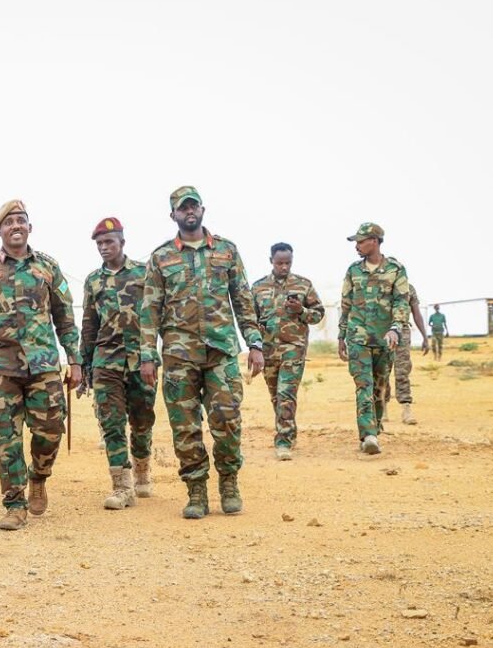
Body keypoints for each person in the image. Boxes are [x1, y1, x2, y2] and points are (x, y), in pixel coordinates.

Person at [140, 186, 263, 519]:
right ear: (173, 215)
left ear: (203, 210)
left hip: (221, 351)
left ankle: (229, 482)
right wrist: (147, 355)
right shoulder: (161, 257)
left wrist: (255, 343)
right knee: (185, 427)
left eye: (193, 206)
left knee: (227, 420)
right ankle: (196, 490)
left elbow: (243, 300)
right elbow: (150, 310)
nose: (189, 211)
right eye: (183, 208)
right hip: (179, 356)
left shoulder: (226, 251)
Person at [0, 199, 81, 531]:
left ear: (30, 227)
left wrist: (75, 360)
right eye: (8, 222)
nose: (15, 226)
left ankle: (39, 475)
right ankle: (15, 504)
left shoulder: (48, 267)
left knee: (51, 429)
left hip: (43, 364)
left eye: (21, 220)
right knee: (6, 437)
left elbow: (65, 318)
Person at [79, 217, 157, 509]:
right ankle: (122, 487)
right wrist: (84, 363)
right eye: (99, 243)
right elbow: (89, 324)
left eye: (109, 242)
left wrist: (153, 355)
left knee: (142, 420)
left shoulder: (144, 273)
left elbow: (156, 315)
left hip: (141, 360)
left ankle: (142, 471)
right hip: (106, 360)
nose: (104, 247)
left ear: (122, 242)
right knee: (111, 423)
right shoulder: (93, 280)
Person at [338, 223, 410, 455]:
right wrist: (341, 336)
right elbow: (345, 304)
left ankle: (375, 428)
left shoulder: (396, 269)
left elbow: (401, 301)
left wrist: (396, 328)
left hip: (385, 339)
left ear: (375, 241)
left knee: (379, 387)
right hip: (357, 337)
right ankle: (368, 435)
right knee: (364, 386)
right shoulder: (353, 271)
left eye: (361, 241)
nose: (357, 246)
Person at [251, 242, 325, 460]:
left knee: (286, 395)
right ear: (271, 261)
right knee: (276, 396)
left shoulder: (303, 285)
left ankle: (283, 441)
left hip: (294, 349)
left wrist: (301, 310)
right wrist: (254, 343)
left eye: (288, 263)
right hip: (268, 351)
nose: (284, 267)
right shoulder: (258, 287)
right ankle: (288, 431)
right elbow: (249, 319)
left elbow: (318, 315)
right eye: (279, 263)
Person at [384, 283, 428, 425]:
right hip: (382, 331)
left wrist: (425, 337)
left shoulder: (408, 288)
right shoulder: (380, 284)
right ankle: (382, 408)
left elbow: (416, 313)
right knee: (382, 371)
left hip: (402, 332)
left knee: (402, 370)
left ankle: (406, 408)